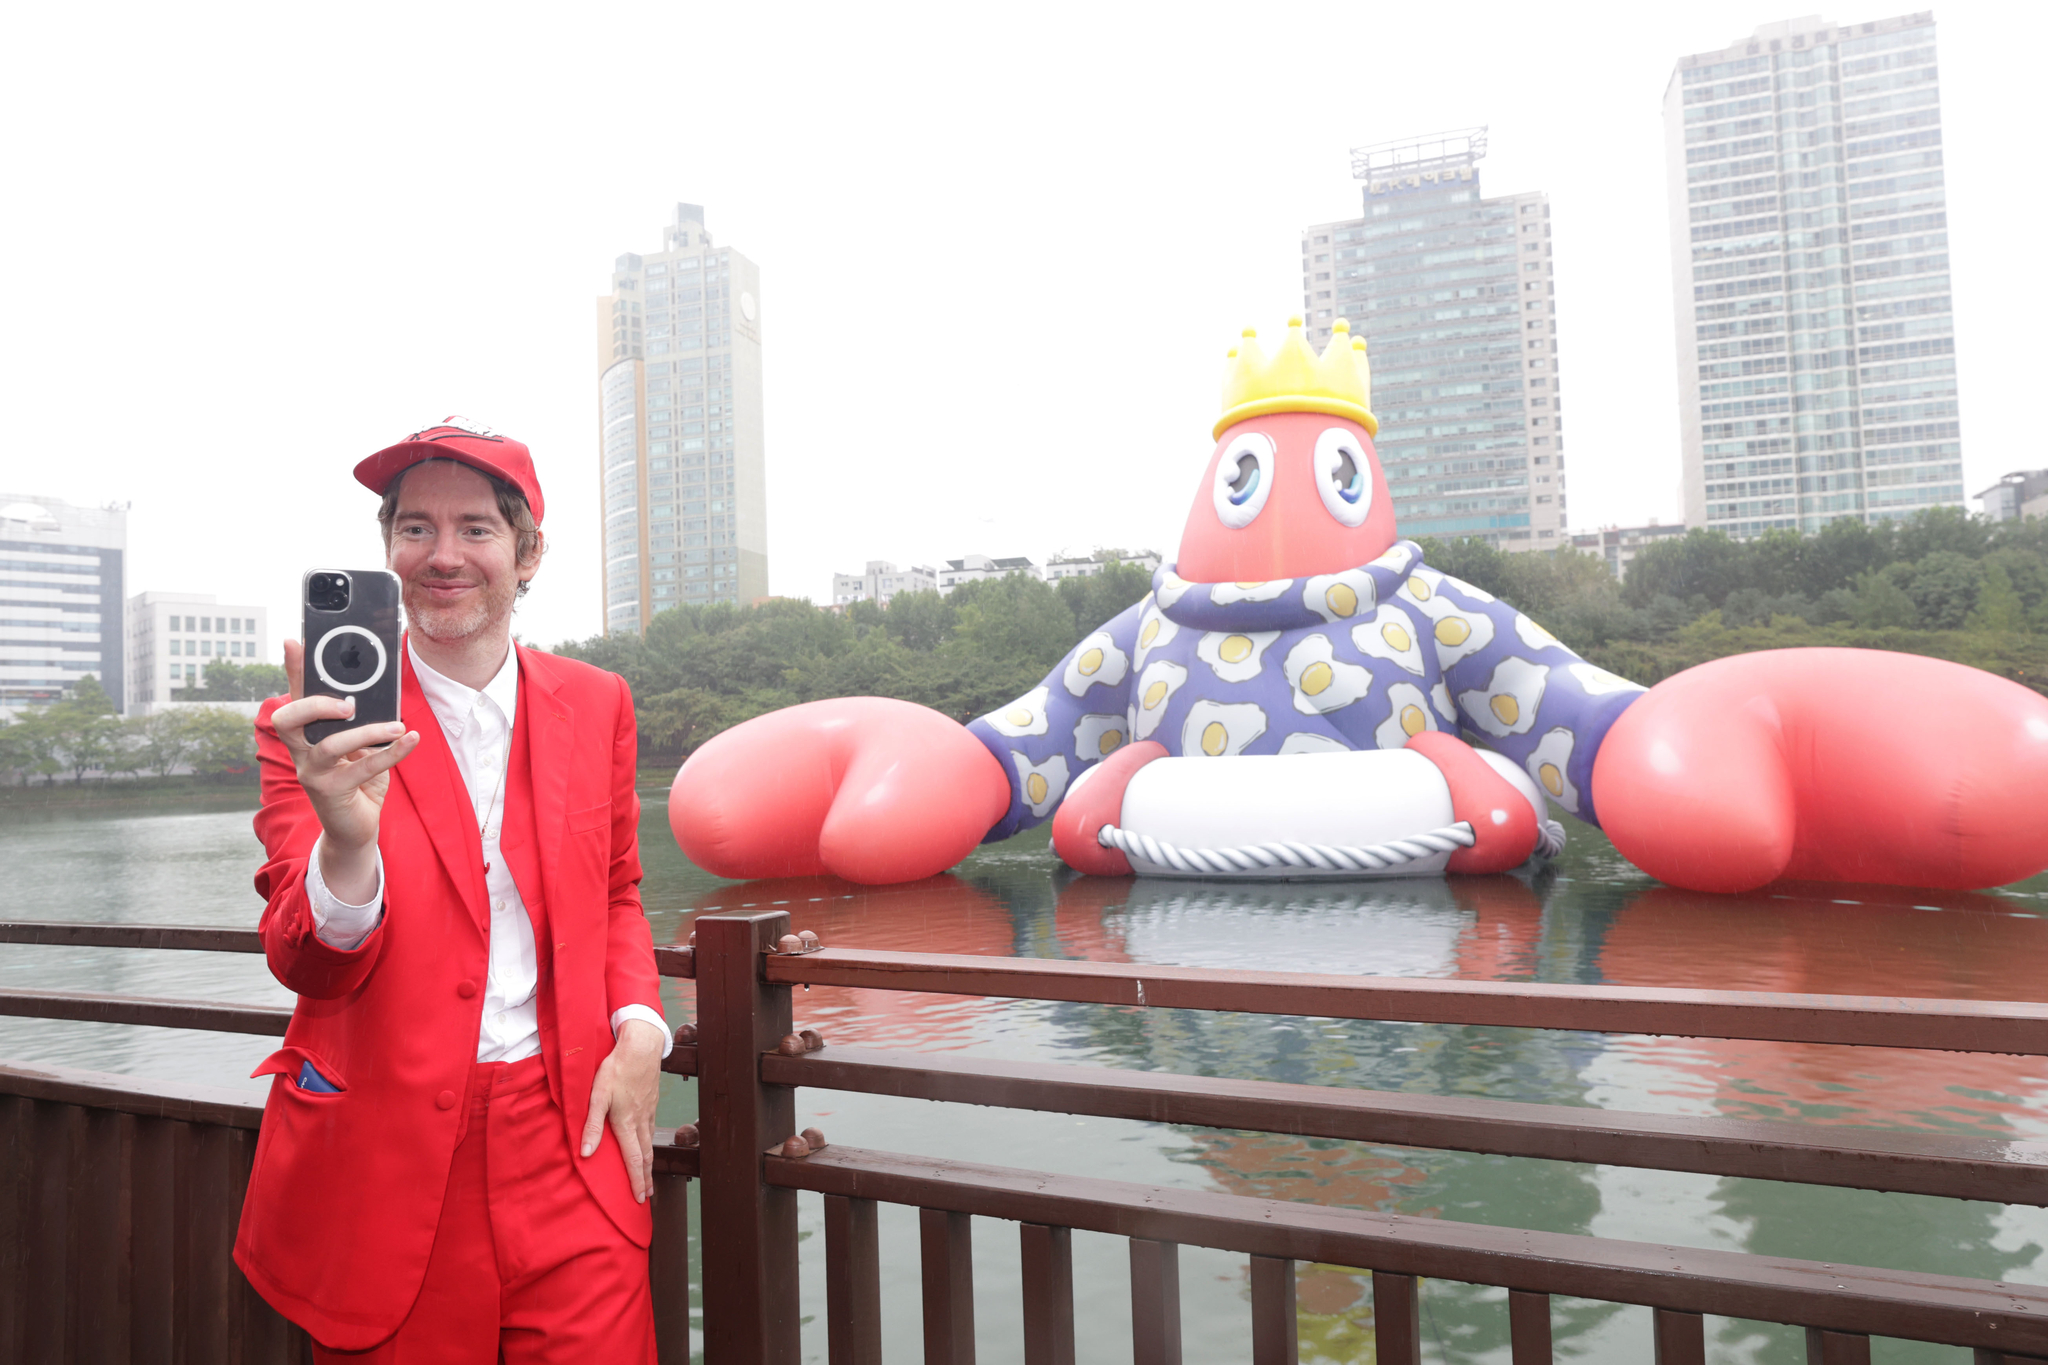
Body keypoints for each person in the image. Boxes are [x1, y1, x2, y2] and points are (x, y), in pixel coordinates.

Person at [236, 418, 670, 1361]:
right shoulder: (309, 724)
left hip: (572, 1142)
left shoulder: (598, 703)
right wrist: (347, 842)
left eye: (475, 527)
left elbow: (619, 894)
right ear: (387, 549)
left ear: (527, 553)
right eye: (415, 528)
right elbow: (304, 960)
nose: (443, 554)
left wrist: (641, 1027)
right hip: (383, 1169)